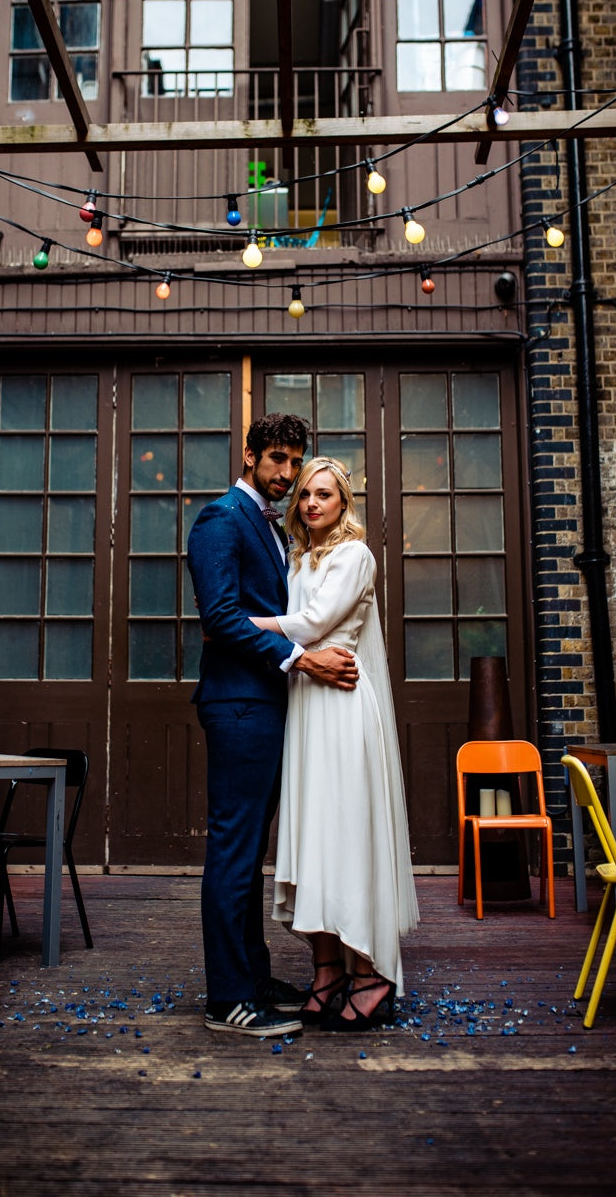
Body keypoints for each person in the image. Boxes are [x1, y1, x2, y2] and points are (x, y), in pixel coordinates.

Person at [187, 415, 359, 1038]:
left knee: (248, 854)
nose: (288, 474)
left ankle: (254, 978)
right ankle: (227, 999)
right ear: (251, 456)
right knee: (232, 853)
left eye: (296, 462)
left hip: (265, 704)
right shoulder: (221, 518)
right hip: (239, 705)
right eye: (278, 460)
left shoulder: (267, 525)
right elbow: (223, 617)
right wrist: (299, 658)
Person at [250, 457, 418, 1030]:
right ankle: (328, 971)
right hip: (306, 702)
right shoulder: (298, 557)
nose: (312, 504)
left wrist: (243, 624)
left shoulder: (355, 555)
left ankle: (371, 972)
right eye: (304, 496)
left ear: (344, 503)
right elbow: (300, 621)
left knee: (346, 835)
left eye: (324, 495)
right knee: (315, 835)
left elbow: (315, 622)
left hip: (342, 704)